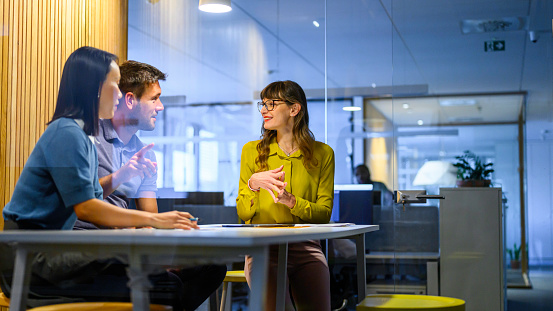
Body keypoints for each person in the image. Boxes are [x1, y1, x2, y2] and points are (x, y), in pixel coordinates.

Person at [0, 47, 199, 310]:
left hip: (44, 254)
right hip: (31, 261)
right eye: (114, 84)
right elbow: (86, 208)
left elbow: (92, 196)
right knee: (163, 286)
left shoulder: (79, 133)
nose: (119, 93)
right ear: (94, 88)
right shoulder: (67, 132)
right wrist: (154, 219)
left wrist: (125, 176)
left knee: (162, 281)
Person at [74, 60, 226, 310]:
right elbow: (81, 201)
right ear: (131, 101)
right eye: (154, 99)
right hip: (88, 244)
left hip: (125, 244)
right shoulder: (88, 137)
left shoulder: (144, 152)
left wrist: (172, 229)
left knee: (212, 266)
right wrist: (122, 175)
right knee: (169, 286)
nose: (161, 106)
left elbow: (149, 217)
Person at [236, 80, 335, 310]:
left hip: (306, 247)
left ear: (294, 109)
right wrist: (253, 184)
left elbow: (324, 214)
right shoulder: (251, 151)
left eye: (271, 104)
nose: (263, 110)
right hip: (263, 247)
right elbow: (242, 211)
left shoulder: (323, 153)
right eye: (263, 104)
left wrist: (292, 202)